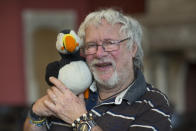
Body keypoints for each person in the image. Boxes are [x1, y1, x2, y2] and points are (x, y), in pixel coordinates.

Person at [24, 8, 172, 131]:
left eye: (110, 43)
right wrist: (36, 114)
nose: (99, 53)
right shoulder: (72, 91)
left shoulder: (154, 103)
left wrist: (80, 120)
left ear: (132, 49)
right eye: (91, 45)